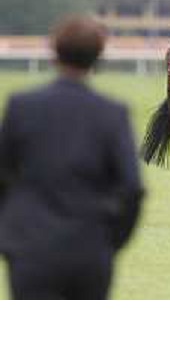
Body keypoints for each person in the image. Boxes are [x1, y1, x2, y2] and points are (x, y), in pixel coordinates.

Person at [0, 15, 144, 299]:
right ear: (97, 58)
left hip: (30, 249)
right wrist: (111, 241)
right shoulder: (112, 113)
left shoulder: (21, 106)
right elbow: (131, 188)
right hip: (90, 250)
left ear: (54, 52)